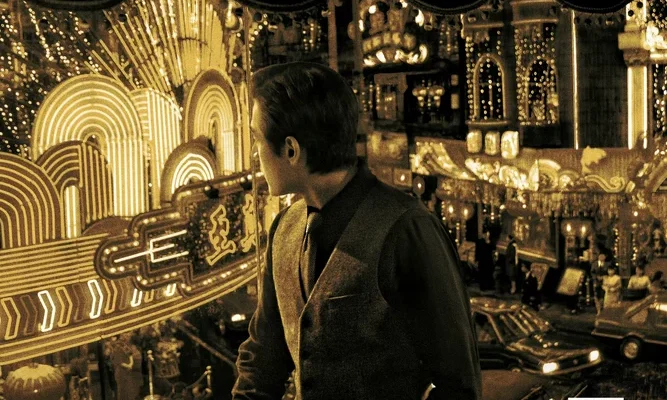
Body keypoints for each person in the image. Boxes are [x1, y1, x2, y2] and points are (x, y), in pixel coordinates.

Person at [232, 62, 481, 400]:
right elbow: (262, 360)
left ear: (291, 150)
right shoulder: (283, 229)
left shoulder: (408, 229)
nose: (254, 154)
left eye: (256, 139)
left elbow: (458, 385)